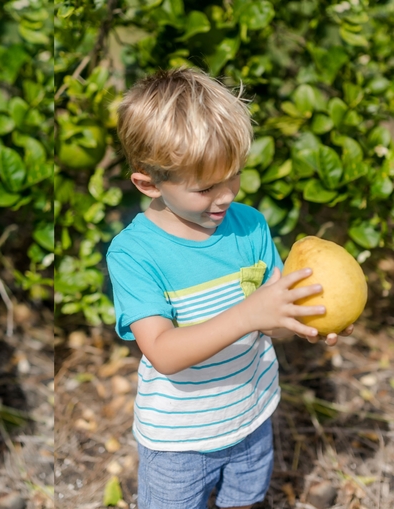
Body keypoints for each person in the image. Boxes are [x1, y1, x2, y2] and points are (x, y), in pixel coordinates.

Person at [105, 67, 353, 509]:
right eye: (205, 188)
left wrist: (301, 321)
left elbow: (269, 319)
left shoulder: (250, 227)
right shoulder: (134, 253)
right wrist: (249, 314)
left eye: (233, 176)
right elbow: (162, 351)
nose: (225, 196)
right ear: (148, 183)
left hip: (253, 416)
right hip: (179, 443)